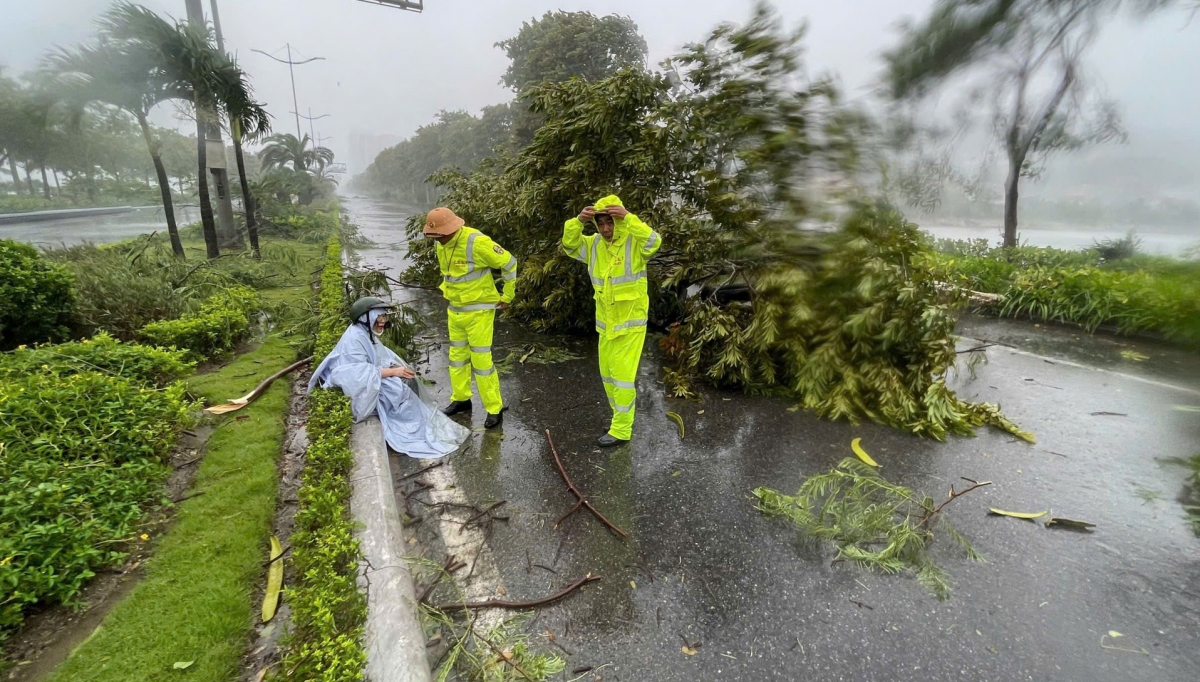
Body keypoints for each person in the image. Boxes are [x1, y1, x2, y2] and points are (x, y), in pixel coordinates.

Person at [308, 296, 469, 458]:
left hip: (368, 379)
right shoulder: (355, 339)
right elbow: (357, 374)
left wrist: (396, 368)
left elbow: (379, 357)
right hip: (356, 387)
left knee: (405, 380)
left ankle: (421, 421)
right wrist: (393, 372)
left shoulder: (364, 333)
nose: (383, 321)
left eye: (384, 317)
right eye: (380, 317)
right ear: (366, 318)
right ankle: (413, 426)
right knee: (398, 389)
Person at [562, 195, 662, 447]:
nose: (606, 229)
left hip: (630, 324)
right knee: (607, 376)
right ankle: (619, 418)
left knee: (622, 378)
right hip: (605, 324)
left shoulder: (634, 242)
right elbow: (569, 246)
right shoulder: (594, 245)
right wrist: (577, 221)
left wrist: (628, 216)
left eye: (611, 222)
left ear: (619, 220)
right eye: (602, 223)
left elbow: (654, 241)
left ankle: (621, 429)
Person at [423, 207, 517, 429]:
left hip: (480, 312)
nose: (437, 240)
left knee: (482, 362)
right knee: (457, 357)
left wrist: (508, 295)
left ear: (452, 229)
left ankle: (494, 408)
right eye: (433, 236)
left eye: (440, 235)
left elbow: (510, 263)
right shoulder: (441, 244)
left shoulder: (477, 242)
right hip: (455, 310)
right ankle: (462, 399)